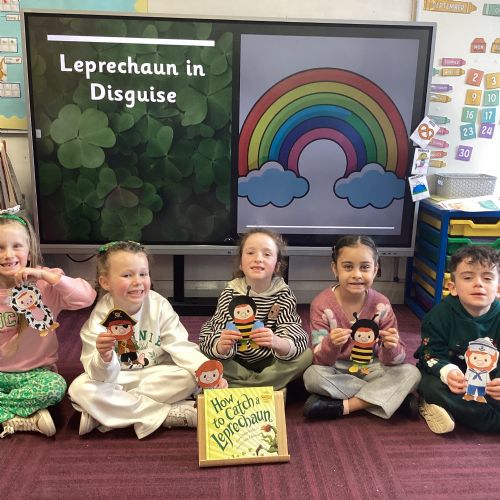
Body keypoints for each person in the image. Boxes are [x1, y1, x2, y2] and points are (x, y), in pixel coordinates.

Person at [68, 241, 226, 439]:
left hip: (156, 374)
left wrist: (207, 371)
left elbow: (180, 346)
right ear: (105, 282)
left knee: (189, 378)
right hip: (119, 379)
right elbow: (100, 376)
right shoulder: (99, 318)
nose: (138, 281)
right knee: (78, 390)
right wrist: (104, 357)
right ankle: (168, 414)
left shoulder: (159, 305)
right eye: (127, 275)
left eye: (143, 274)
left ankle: (108, 414)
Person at [0, 209, 96, 438]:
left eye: (16, 246)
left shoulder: (45, 284)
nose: (8, 255)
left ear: (30, 251)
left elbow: (87, 297)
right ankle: (22, 417)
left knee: (56, 387)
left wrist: (48, 277)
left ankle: (7, 412)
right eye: (0, 248)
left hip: (37, 374)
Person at [303, 235, 421, 420]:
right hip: (336, 368)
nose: (357, 274)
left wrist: (391, 347)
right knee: (312, 377)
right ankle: (393, 399)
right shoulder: (321, 304)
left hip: (373, 367)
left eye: (365, 267)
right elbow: (320, 360)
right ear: (335, 268)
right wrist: (331, 344)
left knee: (412, 373)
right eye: (348, 267)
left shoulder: (381, 304)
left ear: (375, 270)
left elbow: (396, 360)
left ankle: (346, 406)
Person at [199, 228, 312, 390]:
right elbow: (215, 329)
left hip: (271, 361)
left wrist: (277, 342)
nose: (258, 259)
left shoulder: (283, 293)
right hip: (236, 360)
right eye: (251, 253)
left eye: (267, 254)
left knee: (306, 356)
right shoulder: (230, 292)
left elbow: (292, 329)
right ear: (240, 263)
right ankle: (266, 386)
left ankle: (239, 387)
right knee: (201, 353)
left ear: (277, 266)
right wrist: (221, 346)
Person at [416, 245, 500, 434]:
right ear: (452, 287)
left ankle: (464, 413)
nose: (478, 284)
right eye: (468, 277)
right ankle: (488, 418)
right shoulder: (438, 315)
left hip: (488, 382)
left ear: (497, 288)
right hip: (451, 380)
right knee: (428, 385)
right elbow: (429, 353)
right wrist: (447, 372)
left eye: (487, 278)